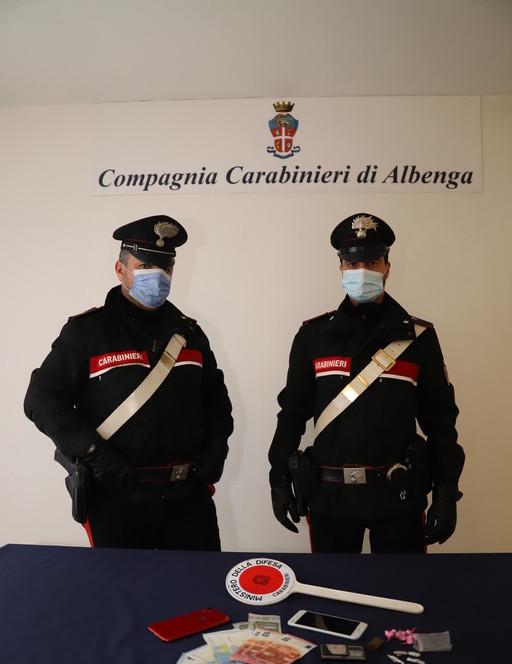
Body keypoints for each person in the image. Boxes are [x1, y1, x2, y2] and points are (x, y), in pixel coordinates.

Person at [24, 215, 233, 550]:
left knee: (201, 582)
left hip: (187, 499)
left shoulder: (190, 334)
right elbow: (41, 399)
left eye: (165, 268)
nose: (158, 276)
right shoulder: (86, 332)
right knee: (121, 585)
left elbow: (217, 401)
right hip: (116, 497)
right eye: (146, 266)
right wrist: (94, 453)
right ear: (120, 269)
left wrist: (217, 447)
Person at [268, 212, 464, 553]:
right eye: (352, 264)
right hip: (331, 499)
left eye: (371, 262)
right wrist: (279, 479)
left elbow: (441, 422)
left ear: (387, 267)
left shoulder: (418, 339)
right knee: (331, 588)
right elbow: (292, 415)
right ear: (341, 268)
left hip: (398, 497)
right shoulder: (313, 337)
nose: (362, 272)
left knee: (402, 586)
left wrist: (447, 491)